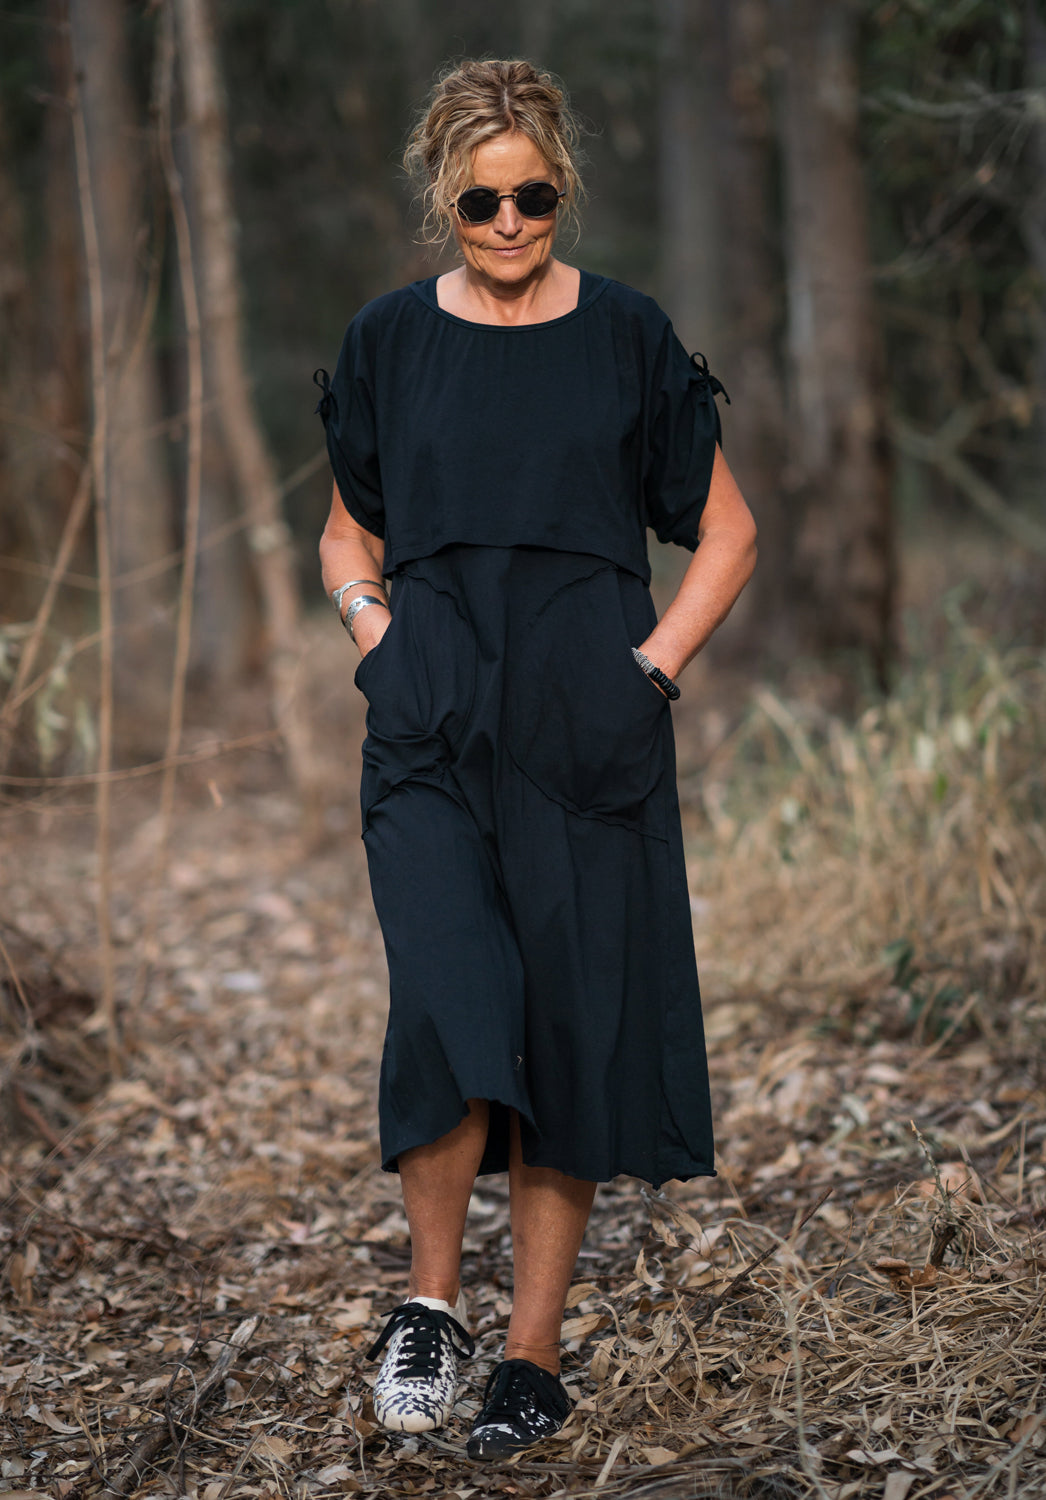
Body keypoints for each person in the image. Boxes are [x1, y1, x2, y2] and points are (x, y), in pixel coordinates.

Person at [315, 58, 756, 1462]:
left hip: (586, 724)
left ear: (562, 190)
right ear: (443, 200)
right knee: (448, 1002)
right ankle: (430, 1311)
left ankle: (531, 1353)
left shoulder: (626, 334)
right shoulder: (390, 340)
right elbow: (347, 526)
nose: (509, 223)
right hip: (430, 717)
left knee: (567, 1017)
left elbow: (728, 531)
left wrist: (651, 669)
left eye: (535, 197)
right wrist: (374, 632)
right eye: (481, 201)